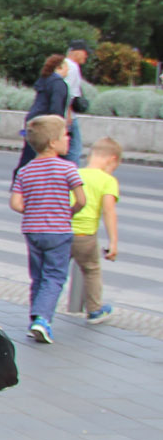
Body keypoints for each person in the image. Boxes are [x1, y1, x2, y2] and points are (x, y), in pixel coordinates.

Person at [11, 114, 86, 344]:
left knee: (38, 275)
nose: (69, 139)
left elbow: (16, 203)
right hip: (59, 230)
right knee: (54, 276)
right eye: (65, 135)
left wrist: (35, 211)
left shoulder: (25, 171)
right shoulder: (68, 168)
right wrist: (68, 211)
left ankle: (35, 316)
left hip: (33, 230)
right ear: (53, 142)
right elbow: (82, 200)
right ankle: (42, 320)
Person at [71, 137, 121, 324]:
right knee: (92, 269)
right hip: (85, 236)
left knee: (55, 274)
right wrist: (113, 242)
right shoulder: (108, 181)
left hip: (62, 231)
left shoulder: (74, 173)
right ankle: (94, 310)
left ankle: (42, 313)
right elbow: (109, 211)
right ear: (112, 159)